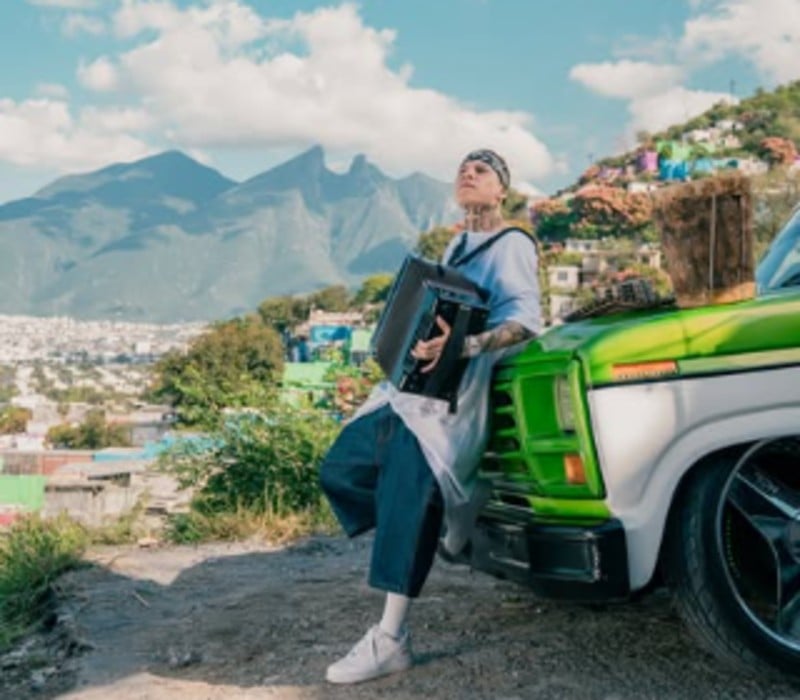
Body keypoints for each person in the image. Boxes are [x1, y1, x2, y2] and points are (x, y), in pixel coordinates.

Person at [319, 148, 541, 684]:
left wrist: (465, 346)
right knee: (341, 469)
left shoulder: (512, 243)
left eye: (483, 170)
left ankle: (390, 639)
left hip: (451, 400)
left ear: (502, 191)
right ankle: (438, 511)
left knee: (405, 492)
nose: (468, 172)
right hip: (409, 391)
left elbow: (525, 321)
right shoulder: (456, 245)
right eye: (464, 167)